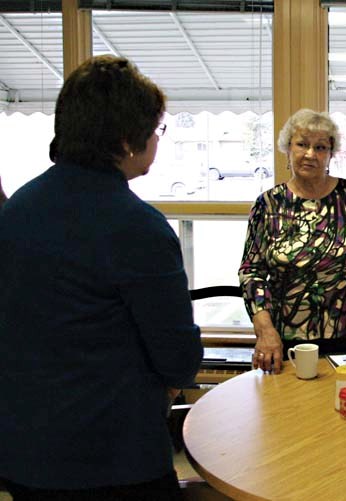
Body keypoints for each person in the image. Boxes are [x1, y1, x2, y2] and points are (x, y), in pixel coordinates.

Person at [0, 56, 203, 499]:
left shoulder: (14, 213)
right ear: (130, 140)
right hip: (113, 461)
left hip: (23, 452)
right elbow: (179, 358)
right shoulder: (137, 227)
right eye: (156, 128)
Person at [240, 109, 346, 374]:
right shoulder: (268, 205)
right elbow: (251, 272)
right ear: (288, 148)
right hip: (285, 342)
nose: (310, 154)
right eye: (302, 144)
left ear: (330, 153)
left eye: (320, 147)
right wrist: (264, 329)